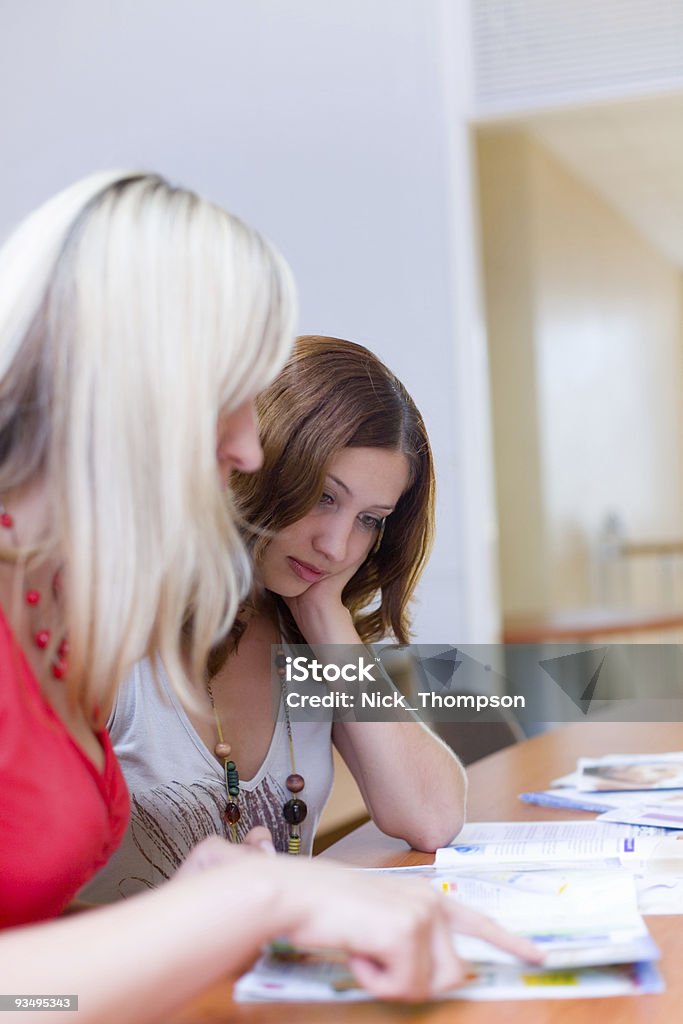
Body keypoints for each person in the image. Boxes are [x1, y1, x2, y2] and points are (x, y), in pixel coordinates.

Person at [0, 173, 541, 1021]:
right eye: (230, 393)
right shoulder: (90, 618)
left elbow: (32, 974)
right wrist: (237, 908)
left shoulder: (55, 604)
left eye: (368, 519)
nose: (248, 449)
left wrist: (209, 905)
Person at [85, 336, 467, 900]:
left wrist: (324, 615)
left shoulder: (306, 638)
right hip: (120, 984)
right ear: (259, 467)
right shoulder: (114, 627)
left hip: (271, 979)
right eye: (323, 496)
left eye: (370, 519)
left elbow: (431, 817)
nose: (336, 546)